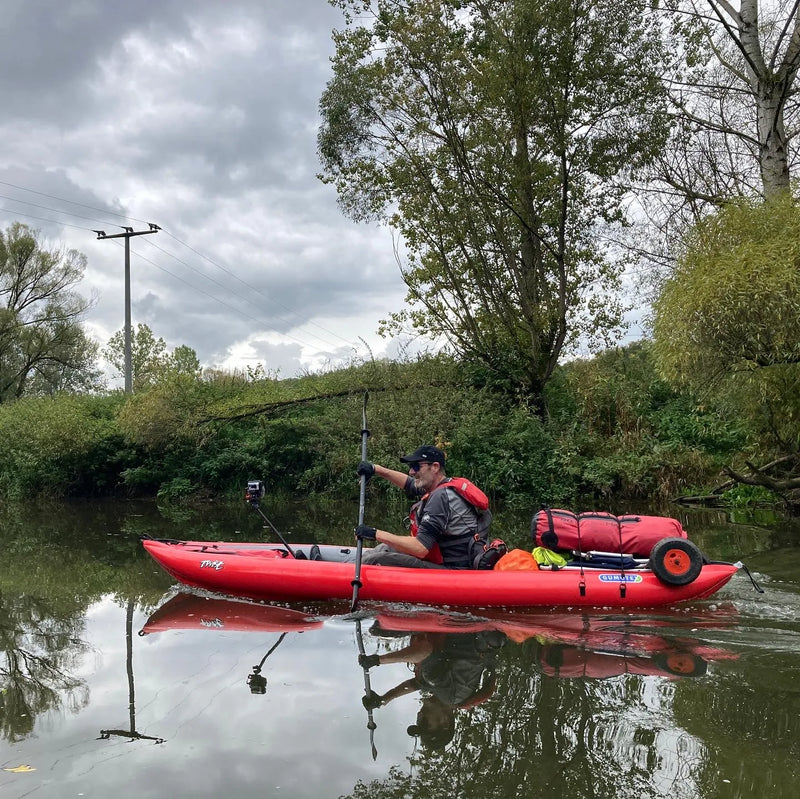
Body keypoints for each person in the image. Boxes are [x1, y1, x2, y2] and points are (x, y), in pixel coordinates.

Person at [359, 628, 505, 751]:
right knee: (379, 630)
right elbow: (426, 651)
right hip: (462, 625)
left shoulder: (454, 696)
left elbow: (416, 684)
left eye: (419, 721)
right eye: (424, 723)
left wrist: (383, 699)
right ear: (445, 722)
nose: (419, 716)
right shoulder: (449, 695)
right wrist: (377, 660)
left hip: (476, 633)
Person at [354, 445, 492, 569]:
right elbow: (409, 484)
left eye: (416, 466)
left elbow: (420, 548)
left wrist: (374, 533)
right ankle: (349, 566)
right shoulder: (442, 486)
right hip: (445, 560)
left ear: (435, 467)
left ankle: (345, 576)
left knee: (375, 559)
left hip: (452, 570)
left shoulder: (440, 497)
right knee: (385, 547)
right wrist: (375, 469)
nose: (411, 472)